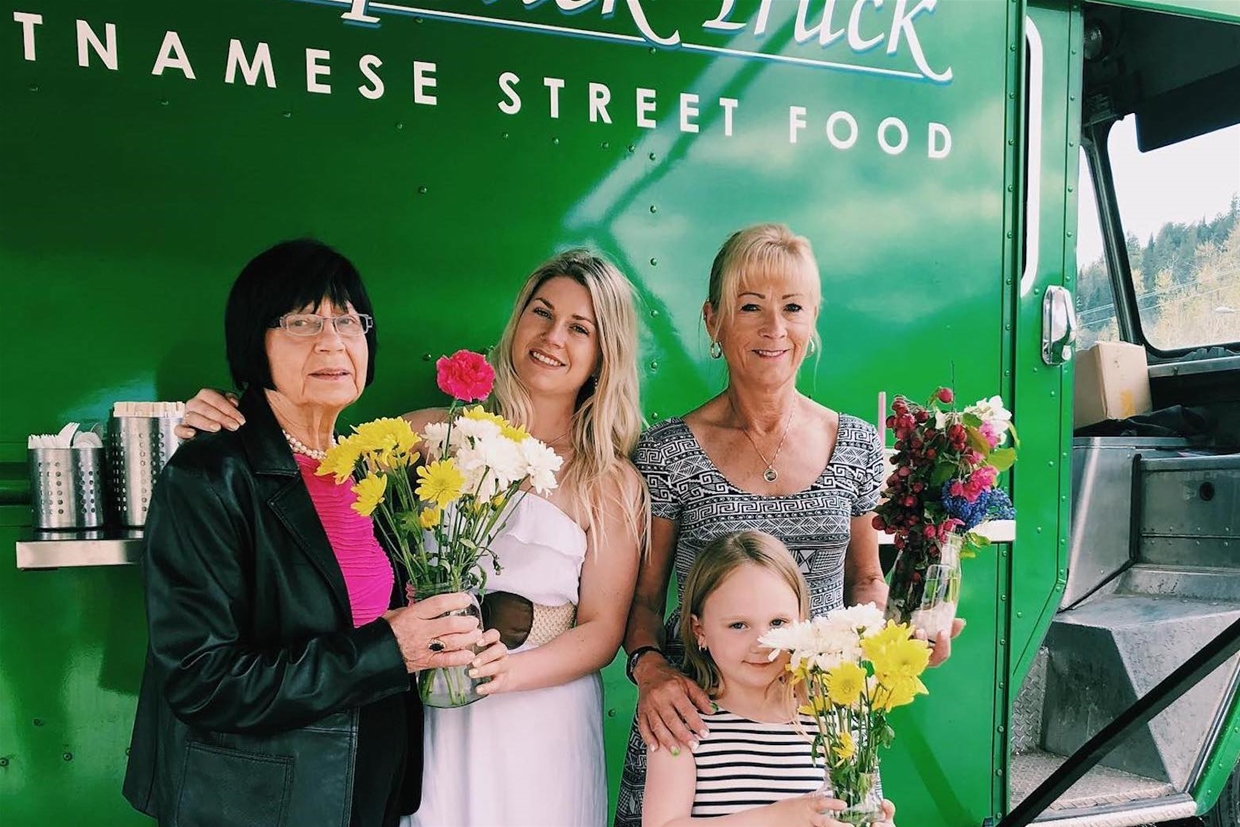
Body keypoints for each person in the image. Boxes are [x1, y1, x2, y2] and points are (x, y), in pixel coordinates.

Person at [177, 249, 648, 827]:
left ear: (606, 353)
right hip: (424, 703)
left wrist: (505, 674)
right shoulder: (429, 433)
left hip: (537, 709)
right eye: (541, 313)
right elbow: (309, 457)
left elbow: (603, 628)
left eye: (581, 327)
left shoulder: (612, 482)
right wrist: (231, 412)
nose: (553, 337)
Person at [123, 239, 507, 827]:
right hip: (265, 796)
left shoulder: (368, 470)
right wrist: (388, 649)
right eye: (303, 322)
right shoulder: (211, 474)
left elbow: (378, 615)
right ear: (257, 342)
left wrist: (447, 641)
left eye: (348, 321)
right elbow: (202, 679)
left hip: (369, 782)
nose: (332, 341)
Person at [614, 224, 961, 826]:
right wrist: (652, 673)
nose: (774, 328)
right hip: (696, 729)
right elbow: (642, 598)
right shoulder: (668, 451)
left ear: (812, 320)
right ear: (713, 321)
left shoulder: (855, 444)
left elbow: (865, 583)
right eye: (750, 307)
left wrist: (900, 646)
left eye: (792, 307)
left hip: (817, 727)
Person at [642, 530, 896, 827]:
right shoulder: (682, 724)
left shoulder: (833, 718)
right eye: (738, 625)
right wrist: (778, 818)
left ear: (801, 621)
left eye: (778, 622)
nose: (762, 643)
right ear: (700, 631)